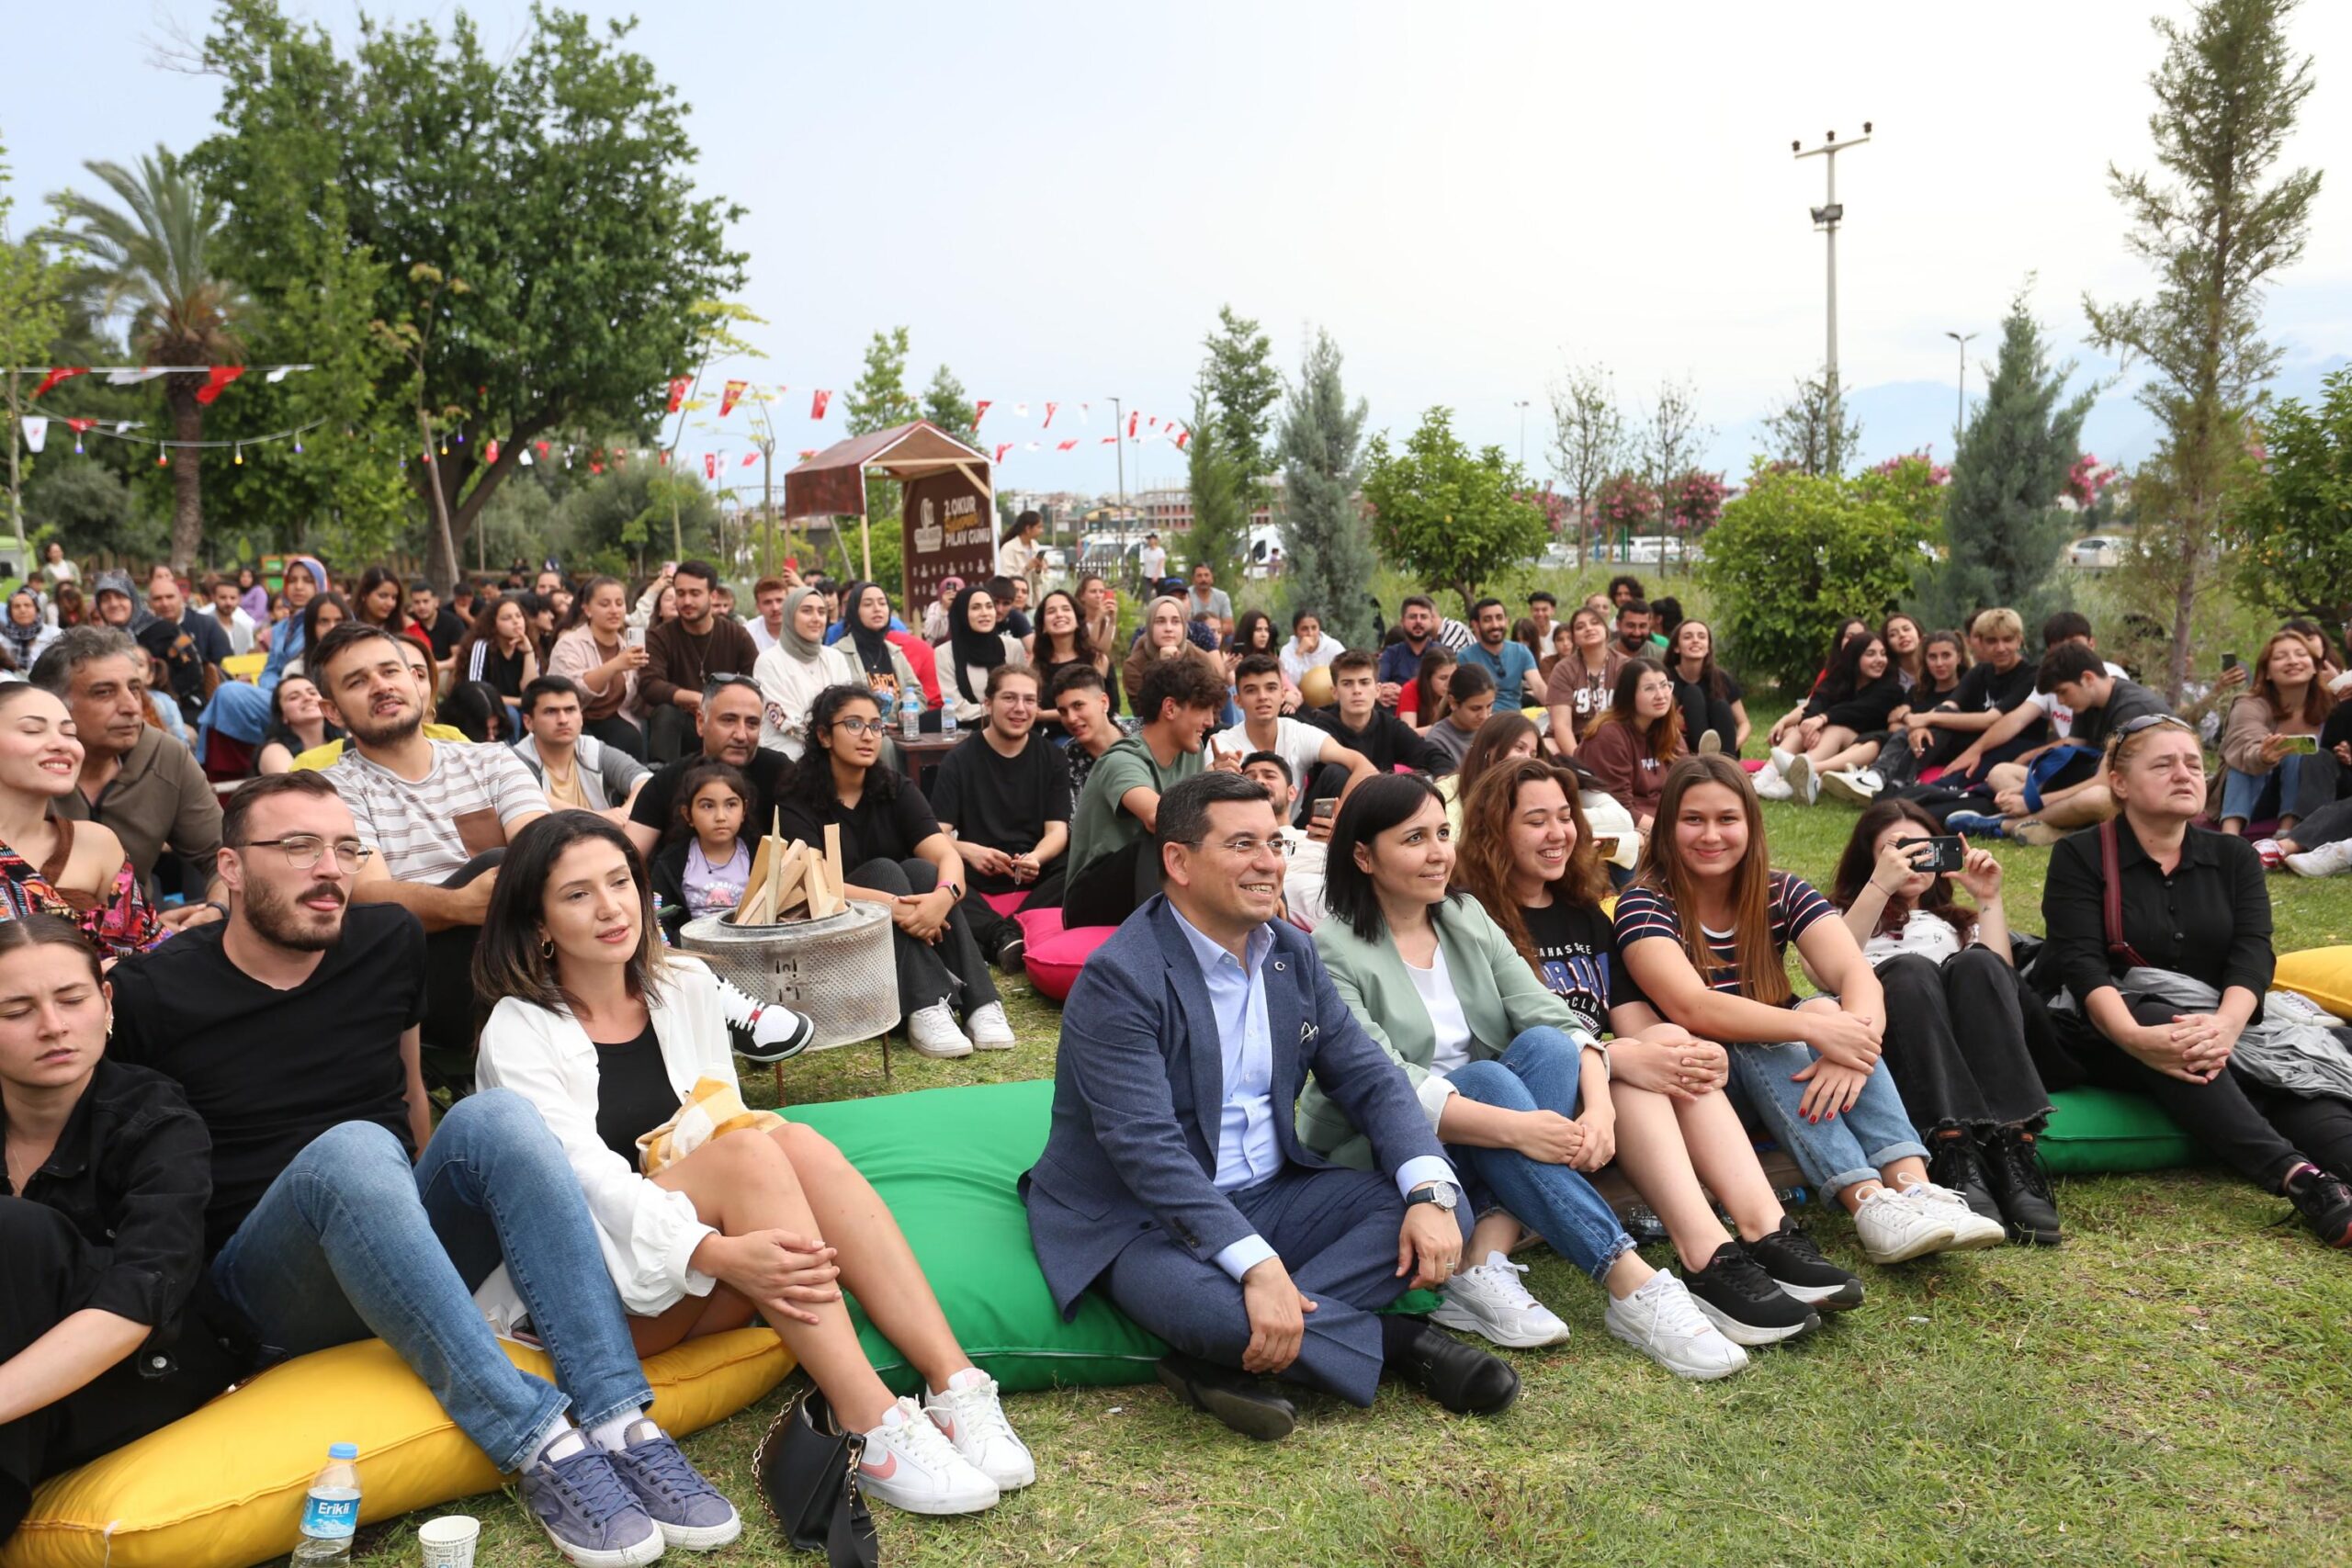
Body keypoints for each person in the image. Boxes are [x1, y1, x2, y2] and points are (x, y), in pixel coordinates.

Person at [108, 773, 739, 1563]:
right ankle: (539, 1438)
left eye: (345, 847)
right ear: (230, 868)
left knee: (496, 1116)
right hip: (266, 1281)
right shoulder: (151, 991)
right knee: (353, 1148)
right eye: (297, 846)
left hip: (393, 1229)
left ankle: (615, 1416)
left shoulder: (384, 940)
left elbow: (413, 1096)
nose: (328, 866)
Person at [475, 814, 1030, 1517]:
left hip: (687, 1272)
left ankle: (955, 1386)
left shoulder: (683, 985)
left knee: (786, 1142)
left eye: (621, 881)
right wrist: (716, 1248)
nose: (612, 907)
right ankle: (871, 1419)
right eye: (578, 894)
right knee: (746, 1153)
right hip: (581, 1301)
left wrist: (724, 1243)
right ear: (539, 921)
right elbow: (577, 1178)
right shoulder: (519, 1028)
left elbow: (711, 1118)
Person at [1026, 770, 1516, 1440]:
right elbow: (1146, 1149)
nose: (1270, 863)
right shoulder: (1121, 977)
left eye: (1276, 841)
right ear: (1179, 860)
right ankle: (1400, 1344)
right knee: (1223, 1314)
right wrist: (1258, 1267)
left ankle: (1235, 1356)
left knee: (1441, 1205)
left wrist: (1428, 1188)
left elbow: (1371, 1078)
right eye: (1242, 844)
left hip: (1272, 1189)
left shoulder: (1291, 951)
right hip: (1140, 1216)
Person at [1304, 773, 1762, 1376]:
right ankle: (1632, 1282)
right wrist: (1522, 1130)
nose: (1439, 850)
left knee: (1545, 1045)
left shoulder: (1463, 915)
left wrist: (1598, 1106)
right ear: (1363, 855)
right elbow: (1388, 1083)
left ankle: (1478, 1262)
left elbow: (1554, 1018)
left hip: (1486, 1136)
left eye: (1443, 832)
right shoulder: (1331, 949)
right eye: (1414, 838)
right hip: (1385, 1145)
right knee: (1490, 1080)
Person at [1453, 759, 1864, 1328]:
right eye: (1535, 821)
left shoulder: (1582, 915)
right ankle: (1705, 1256)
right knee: (1634, 1076)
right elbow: (1491, 1052)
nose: (1557, 834)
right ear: (1496, 832)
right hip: (1528, 1099)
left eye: (1565, 817)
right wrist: (1620, 1057)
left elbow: (1630, 1017)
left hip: (1597, 1095)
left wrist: (1687, 1051)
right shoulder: (1470, 920)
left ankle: (1766, 1232)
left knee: (1670, 1043)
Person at [1614, 754, 1996, 1264]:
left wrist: (1849, 1044)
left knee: (1829, 1010)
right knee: (1793, 1026)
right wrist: (1818, 1030)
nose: (1711, 835)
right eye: (1693, 820)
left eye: (1727, 819)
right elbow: (1695, 1006)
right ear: (1668, 828)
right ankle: (1865, 1201)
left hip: (1787, 1064)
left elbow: (1855, 975)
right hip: (1708, 1084)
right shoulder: (1644, 903)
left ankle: (1914, 1187)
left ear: (1750, 825)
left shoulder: (1781, 888)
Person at [2041, 716, 2352, 1248]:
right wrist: (2138, 1039)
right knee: (2164, 1019)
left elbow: (2253, 956)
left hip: (2231, 1036)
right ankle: (2300, 1179)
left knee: (2301, 1096)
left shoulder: (2234, 857)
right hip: (2112, 1030)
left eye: (2192, 763)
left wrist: (2229, 1027)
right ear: (2119, 782)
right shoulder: (2080, 855)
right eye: (2163, 764)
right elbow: (2084, 966)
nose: (2185, 774)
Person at [0, 917, 236, 1548]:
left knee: (17, 1232)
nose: (53, 1026)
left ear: (106, 1002)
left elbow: (144, 1291)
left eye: (72, 999)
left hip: (140, 1370)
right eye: (17, 1010)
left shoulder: (158, 1120)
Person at [311, 624, 550, 1082]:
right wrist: (461, 905)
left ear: (416, 679)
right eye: (357, 682)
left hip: (528, 944)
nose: (381, 686)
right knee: (497, 864)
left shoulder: (491, 761)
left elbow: (547, 852)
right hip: (423, 981)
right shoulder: (333, 792)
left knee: (559, 860)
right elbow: (370, 897)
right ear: (332, 711)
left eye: (389, 671)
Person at [1827, 802, 2063, 1244]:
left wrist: (1987, 899)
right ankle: (1950, 1146)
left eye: (1923, 848)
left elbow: (2002, 984)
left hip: (1970, 1051)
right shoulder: (1838, 916)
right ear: (1869, 860)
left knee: (1980, 965)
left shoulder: (1954, 923)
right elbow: (1827, 969)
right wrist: (1879, 886)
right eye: (1896, 850)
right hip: (1901, 1046)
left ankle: (2012, 1148)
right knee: (1911, 969)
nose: (1911, 860)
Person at [776, 685, 1012, 1058]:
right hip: (834, 933)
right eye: (853, 724)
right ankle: (925, 1005)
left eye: (875, 725)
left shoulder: (894, 788)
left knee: (922, 869)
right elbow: (815, 883)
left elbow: (946, 855)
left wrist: (943, 896)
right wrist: (893, 905)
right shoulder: (795, 799)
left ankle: (981, 1004)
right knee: (887, 870)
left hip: (904, 930)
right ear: (823, 735)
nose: (868, 736)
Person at [33, 627, 224, 915]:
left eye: (134, 688)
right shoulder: (17, 765)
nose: (131, 707)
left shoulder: (166, 754)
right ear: (55, 705)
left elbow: (224, 858)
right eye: (104, 693)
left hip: (141, 933)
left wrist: (217, 910)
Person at [0, 684, 164, 958]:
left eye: (69, 733)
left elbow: (148, 954)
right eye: (32, 730)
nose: (61, 744)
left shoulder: (97, 843)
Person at [1063, 656, 1226, 930]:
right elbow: (1156, 816)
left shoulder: (1192, 753)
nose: (1210, 721)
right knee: (1164, 833)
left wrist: (1218, 785)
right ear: (1170, 708)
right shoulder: (1121, 759)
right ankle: (1158, 940)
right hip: (1089, 901)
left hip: (1149, 884)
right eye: (1203, 710)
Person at [1950, 644, 2174, 842]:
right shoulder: (2086, 701)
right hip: (2095, 781)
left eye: (2062, 692)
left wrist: (2034, 801)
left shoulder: (2132, 709)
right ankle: (2062, 829)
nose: (2060, 701)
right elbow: (2067, 759)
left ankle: (2004, 825)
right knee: (2001, 773)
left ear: (2087, 679)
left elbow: (2104, 782)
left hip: (2140, 797)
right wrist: (2024, 790)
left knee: (2097, 798)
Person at [930, 665, 1069, 962]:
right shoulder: (959, 760)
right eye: (1009, 698)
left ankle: (1003, 932)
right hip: (978, 873)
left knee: (1079, 864)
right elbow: (936, 834)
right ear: (989, 703)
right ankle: (1002, 933)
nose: (1020, 708)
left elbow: (1057, 831)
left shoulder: (1053, 757)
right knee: (931, 870)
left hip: (1035, 873)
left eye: (1029, 700)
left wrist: (1037, 857)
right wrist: (971, 852)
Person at [625, 676, 790, 865]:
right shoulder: (668, 781)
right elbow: (627, 860)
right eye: (729, 720)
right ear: (700, 722)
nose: (741, 735)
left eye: (752, 723)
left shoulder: (781, 774)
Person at [1212, 657, 1373, 818]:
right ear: (1237, 701)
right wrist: (1213, 776)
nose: (1262, 696)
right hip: (1245, 833)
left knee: (1337, 773)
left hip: (1297, 832)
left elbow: (1363, 765)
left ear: (1283, 695)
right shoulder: (1223, 744)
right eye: (1251, 690)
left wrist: (1339, 817)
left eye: (1271, 688)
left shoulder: (1297, 732)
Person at [1894, 607, 2038, 782]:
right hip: (1979, 744)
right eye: (1992, 641)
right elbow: (1948, 706)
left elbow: (1990, 719)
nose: (2000, 648)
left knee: (1939, 728)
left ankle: (1898, 781)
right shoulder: (1980, 672)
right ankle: (1885, 776)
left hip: (2014, 746)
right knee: (1918, 731)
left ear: (2019, 640)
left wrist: (1927, 719)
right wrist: (1920, 726)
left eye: (2007, 640)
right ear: (1981, 643)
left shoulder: (2031, 676)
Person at [2218, 628, 2334, 839]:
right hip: (2255, 793)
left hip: (2307, 798)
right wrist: (2263, 756)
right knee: (2252, 754)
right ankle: (2230, 837)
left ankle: (2285, 832)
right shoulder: (2250, 704)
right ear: (2267, 672)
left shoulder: (2331, 705)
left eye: (2300, 654)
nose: (2292, 661)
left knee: (2300, 750)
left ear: (2316, 666)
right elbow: (2246, 739)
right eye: (2280, 657)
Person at [642, 561, 760, 765]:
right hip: (682, 722)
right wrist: (697, 699)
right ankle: (662, 778)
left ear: (712, 596)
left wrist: (721, 706)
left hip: (727, 722)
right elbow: (650, 684)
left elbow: (756, 681)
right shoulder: (660, 636)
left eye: (695, 593)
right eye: (680, 593)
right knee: (666, 713)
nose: (686, 601)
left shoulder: (736, 635)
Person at [514, 677, 650, 824]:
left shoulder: (593, 750)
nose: (563, 720)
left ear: (581, 716)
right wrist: (601, 818)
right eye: (551, 712)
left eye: (570, 710)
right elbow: (531, 796)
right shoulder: (516, 759)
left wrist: (625, 814)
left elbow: (644, 779)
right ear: (528, 722)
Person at [547, 576, 650, 761]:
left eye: (619, 603)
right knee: (587, 749)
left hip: (615, 718)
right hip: (572, 718)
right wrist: (616, 665)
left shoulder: (627, 645)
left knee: (630, 737)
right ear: (587, 609)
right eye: (605, 604)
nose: (614, 610)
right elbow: (571, 690)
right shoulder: (569, 644)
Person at [1577, 658, 1683, 837]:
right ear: (1629, 695)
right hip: (1630, 829)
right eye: (1649, 688)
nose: (1661, 695)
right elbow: (1620, 810)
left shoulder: (1667, 729)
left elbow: (1684, 783)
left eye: (1665, 685)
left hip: (1666, 819)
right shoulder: (1608, 736)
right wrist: (1672, 834)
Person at [752, 585, 856, 761]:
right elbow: (786, 722)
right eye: (807, 611)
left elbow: (847, 707)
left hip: (834, 748)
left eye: (822, 612)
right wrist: (832, 738)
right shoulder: (769, 661)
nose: (816, 618)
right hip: (786, 754)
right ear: (790, 615)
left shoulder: (835, 658)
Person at [1303, 649, 1448, 775]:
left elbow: (1433, 756)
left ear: (1378, 690)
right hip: (1332, 803)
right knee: (1337, 772)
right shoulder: (1318, 726)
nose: (1357, 690)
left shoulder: (1389, 726)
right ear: (1334, 692)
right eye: (1347, 683)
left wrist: (1443, 778)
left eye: (1364, 682)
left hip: (1378, 802)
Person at [647, 761, 754, 919]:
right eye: (707, 806)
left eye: (731, 805)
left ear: (744, 810)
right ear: (688, 814)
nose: (720, 817)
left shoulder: (759, 855)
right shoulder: (671, 862)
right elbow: (659, 918)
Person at [938, 585, 1026, 728]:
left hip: (1012, 727)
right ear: (962, 613)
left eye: (989, 606)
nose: (985, 613)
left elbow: (1023, 693)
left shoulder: (1013, 647)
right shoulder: (944, 653)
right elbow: (955, 706)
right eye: (976, 608)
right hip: (966, 730)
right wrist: (998, 710)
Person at [1033, 589, 1113, 741]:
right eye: (1051, 611)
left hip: (1098, 735)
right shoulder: (1036, 666)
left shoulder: (1097, 659)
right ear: (1043, 625)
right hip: (1058, 739)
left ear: (1077, 620)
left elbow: (1096, 707)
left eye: (1066, 609)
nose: (1059, 615)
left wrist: (1043, 715)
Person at [1119, 594, 1224, 711]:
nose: (1168, 628)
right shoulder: (1134, 665)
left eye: (1175, 621)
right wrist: (1161, 668)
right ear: (1149, 626)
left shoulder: (1200, 658)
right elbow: (1144, 712)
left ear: (1184, 626)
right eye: (1160, 621)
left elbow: (1215, 702)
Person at [834, 581, 926, 708]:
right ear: (855, 611)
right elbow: (841, 703)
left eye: (882, 603)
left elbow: (919, 697)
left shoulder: (895, 652)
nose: (877, 609)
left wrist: (901, 717)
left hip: (900, 727)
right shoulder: (838, 653)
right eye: (868, 604)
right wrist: (895, 712)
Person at [1666, 617, 1747, 758]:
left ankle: (1726, 763)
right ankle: (1704, 756)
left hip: (1724, 750)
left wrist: (1735, 744)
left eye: (1702, 637)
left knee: (1720, 705)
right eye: (1687, 637)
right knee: (1692, 693)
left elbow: (1744, 722)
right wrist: (1673, 721)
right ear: (1676, 647)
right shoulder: (1665, 678)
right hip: (1684, 750)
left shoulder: (1720, 678)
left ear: (1708, 647)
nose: (1695, 640)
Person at [454, 592, 543, 719]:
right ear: (494, 624)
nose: (516, 622)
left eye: (519, 616)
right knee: (511, 714)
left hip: (521, 706)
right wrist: (519, 702)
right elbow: (476, 691)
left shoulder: (529, 645)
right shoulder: (482, 646)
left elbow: (530, 690)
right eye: (507, 618)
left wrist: (529, 653)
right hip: (488, 707)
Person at [1460, 598, 1543, 710]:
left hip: (1515, 721)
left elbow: (1538, 686)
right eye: (1487, 620)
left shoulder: (1521, 652)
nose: (1495, 625)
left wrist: (1556, 716)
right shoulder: (1465, 658)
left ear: (1507, 621)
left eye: (1499, 618)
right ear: (1476, 625)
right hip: (1481, 722)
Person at [1051, 665, 1119, 797]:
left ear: (1104, 702)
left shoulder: (1146, 732)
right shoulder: (1064, 764)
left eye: (1078, 706)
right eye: (1063, 712)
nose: (1071, 719)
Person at [254, 674, 339, 776]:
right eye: (294, 697)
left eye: (312, 693)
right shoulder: (274, 752)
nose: (307, 698)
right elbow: (294, 789)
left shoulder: (346, 739)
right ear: (282, 715)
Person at [1226, 611, 1301, 712]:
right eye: (1258, 630)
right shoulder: (1233, 661)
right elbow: (1241, 690)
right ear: (1247, 632)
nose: (1264, 635)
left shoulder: (1270, 658)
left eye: (1266, 630)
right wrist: (1227, 671)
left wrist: (1293, 701)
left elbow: (1293, 690)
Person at [1375, 595, 1443, 703]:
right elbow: (1379, 685)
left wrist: (1405, 693)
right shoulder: (1391, 654)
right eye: (1412, 617)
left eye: (1423, 617)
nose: (1418, 622)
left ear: (1431, 621)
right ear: (1402, 622)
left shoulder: (1442, 654)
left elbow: (1446, 690)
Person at [1279, 610, 1344, 691]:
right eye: (1304, 629)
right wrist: (1299, 653)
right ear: (1296, 632)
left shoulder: (1333, 647)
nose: (1310, 633)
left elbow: (1344, 674)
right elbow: (1290, 683)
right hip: (1300, 699)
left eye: (1314, 628)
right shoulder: (1287, 651)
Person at [1399, 647, 1457, 735]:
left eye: (1453, 677)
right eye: (1443, 678)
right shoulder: (1410, 689)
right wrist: (1445, 727)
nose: (1449, 684)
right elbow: (1407, 734)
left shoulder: (1459, 689)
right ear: (1428, 677)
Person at [0, 592, 57, 679]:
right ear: (9, 612)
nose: (22, 610)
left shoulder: (54, 635)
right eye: (16, 606)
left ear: (37, 609)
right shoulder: (3, 638)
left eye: (27, 605)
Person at [408, 579, 467, 664]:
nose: (421, 606)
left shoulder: (453, 622)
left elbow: (458, 657)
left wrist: (437, 667)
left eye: (426, 601)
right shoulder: (407, 622)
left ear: (436, 602)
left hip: (444, 668)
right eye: (417, 602)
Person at [203, 575, 258, 657]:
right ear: (213, 598)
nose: (228, 602)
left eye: (233, 598)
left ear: (239, 600)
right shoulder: (203, 624)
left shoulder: (244, 627)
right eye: (223, 597)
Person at [1183, 563, 1234, 642]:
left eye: (1206, 575)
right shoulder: (1186, 595)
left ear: (1212, 578)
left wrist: (1213, 631)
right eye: (1199, 576)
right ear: (1193, 580)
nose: (1203, 579)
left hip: (1217, 635)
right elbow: (1186, 623)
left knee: (1231, 639)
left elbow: (1229, 626)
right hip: (1194, 636)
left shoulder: (1222, 596)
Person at [743, 576, 791, 656]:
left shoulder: (802, 629)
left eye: (779, 600)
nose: (775, 608)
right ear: (758, 606)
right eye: (767, 602)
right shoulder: (748, 633)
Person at [1000, 510, 1045, 589]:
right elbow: (1006, 580)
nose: (1042, 531)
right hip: (1016, 598)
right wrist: (1026, 568)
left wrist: (1038, 570)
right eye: (1039, 527)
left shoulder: (1036, 546)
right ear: (1028, 529)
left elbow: (1038, 582)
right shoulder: (1009, 548)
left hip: (1033, 599)